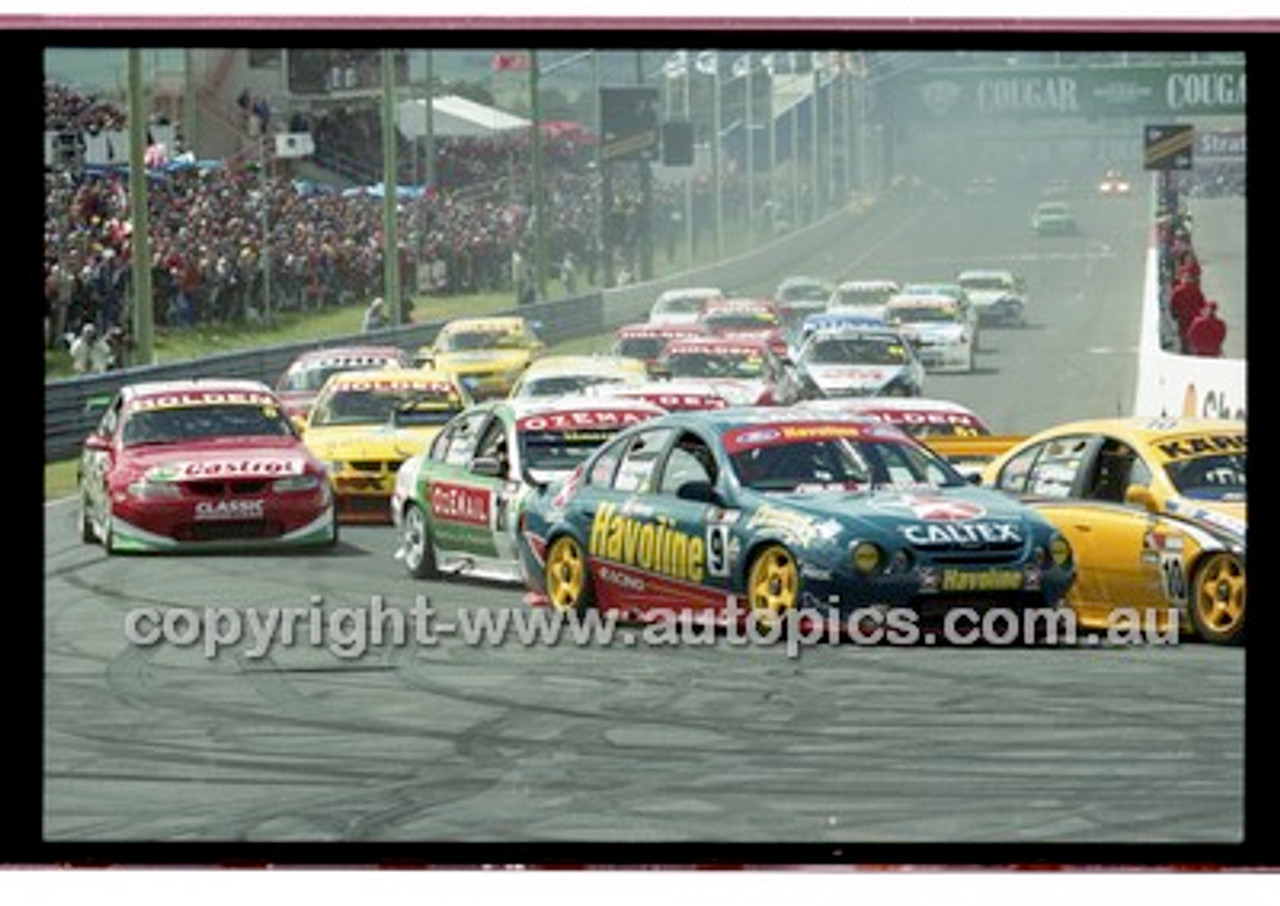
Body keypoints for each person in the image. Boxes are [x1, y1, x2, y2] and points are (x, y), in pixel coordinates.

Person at [1169, 272, 1206, 353]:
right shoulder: (1196, 289)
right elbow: (1202, 303)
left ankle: (1184, 348)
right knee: (1193, 331)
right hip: (1194, 315)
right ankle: (1192, 347)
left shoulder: (1177, 290)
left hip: (1182, 315)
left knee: (1183, 332)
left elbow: (1173, 303)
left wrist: (1173, 314)